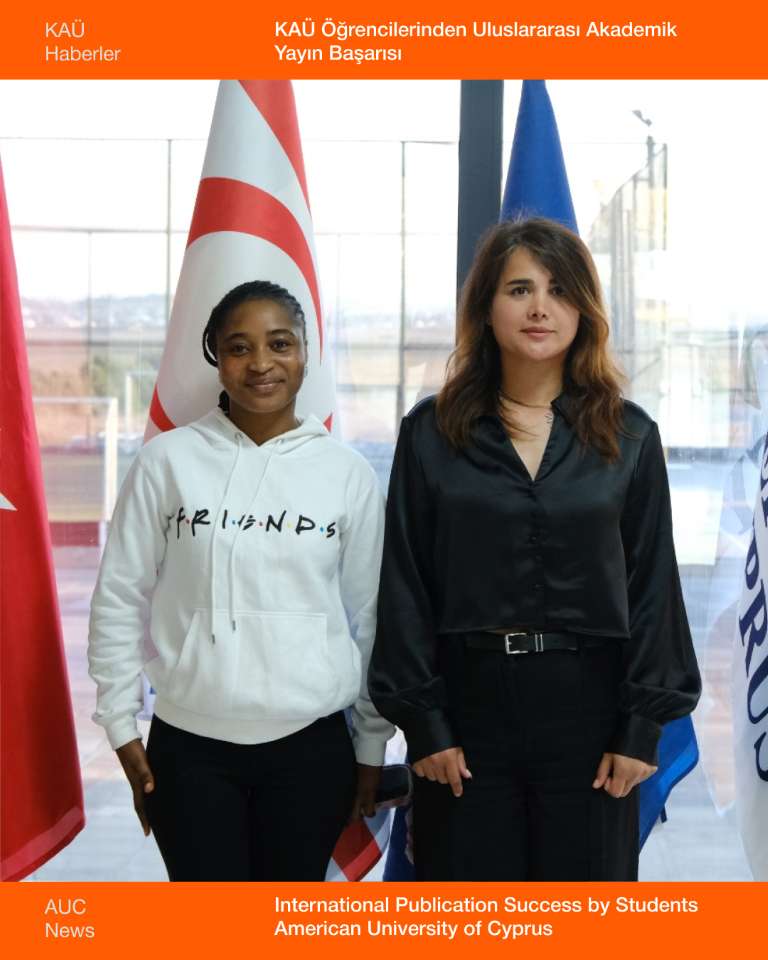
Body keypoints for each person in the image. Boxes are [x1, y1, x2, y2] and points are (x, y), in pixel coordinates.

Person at [368, 217, 701, 881]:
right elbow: (405, 584)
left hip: (592, 716)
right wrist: (425, 723)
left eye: (559, 289)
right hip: (466, 715)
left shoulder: (629, 436)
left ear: (584, 309)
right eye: (519, 289)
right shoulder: (431, 433)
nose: (540, 307)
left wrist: (640, 728)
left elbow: (653, 588)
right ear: (486, 307)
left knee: (582, 916)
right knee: (474, 917)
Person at [88, 280, 393, 881]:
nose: (260, 364)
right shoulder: (166, 462)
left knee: (283, 924)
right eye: (238, 347)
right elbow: (120, 597)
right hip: (189, 749)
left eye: (280, 343)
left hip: (312, 749)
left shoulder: (346, 473)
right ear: (216, 357)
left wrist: (370, 744)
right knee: (212, 926)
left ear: (305, 352)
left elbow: (373, 618)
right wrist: (121, 724)